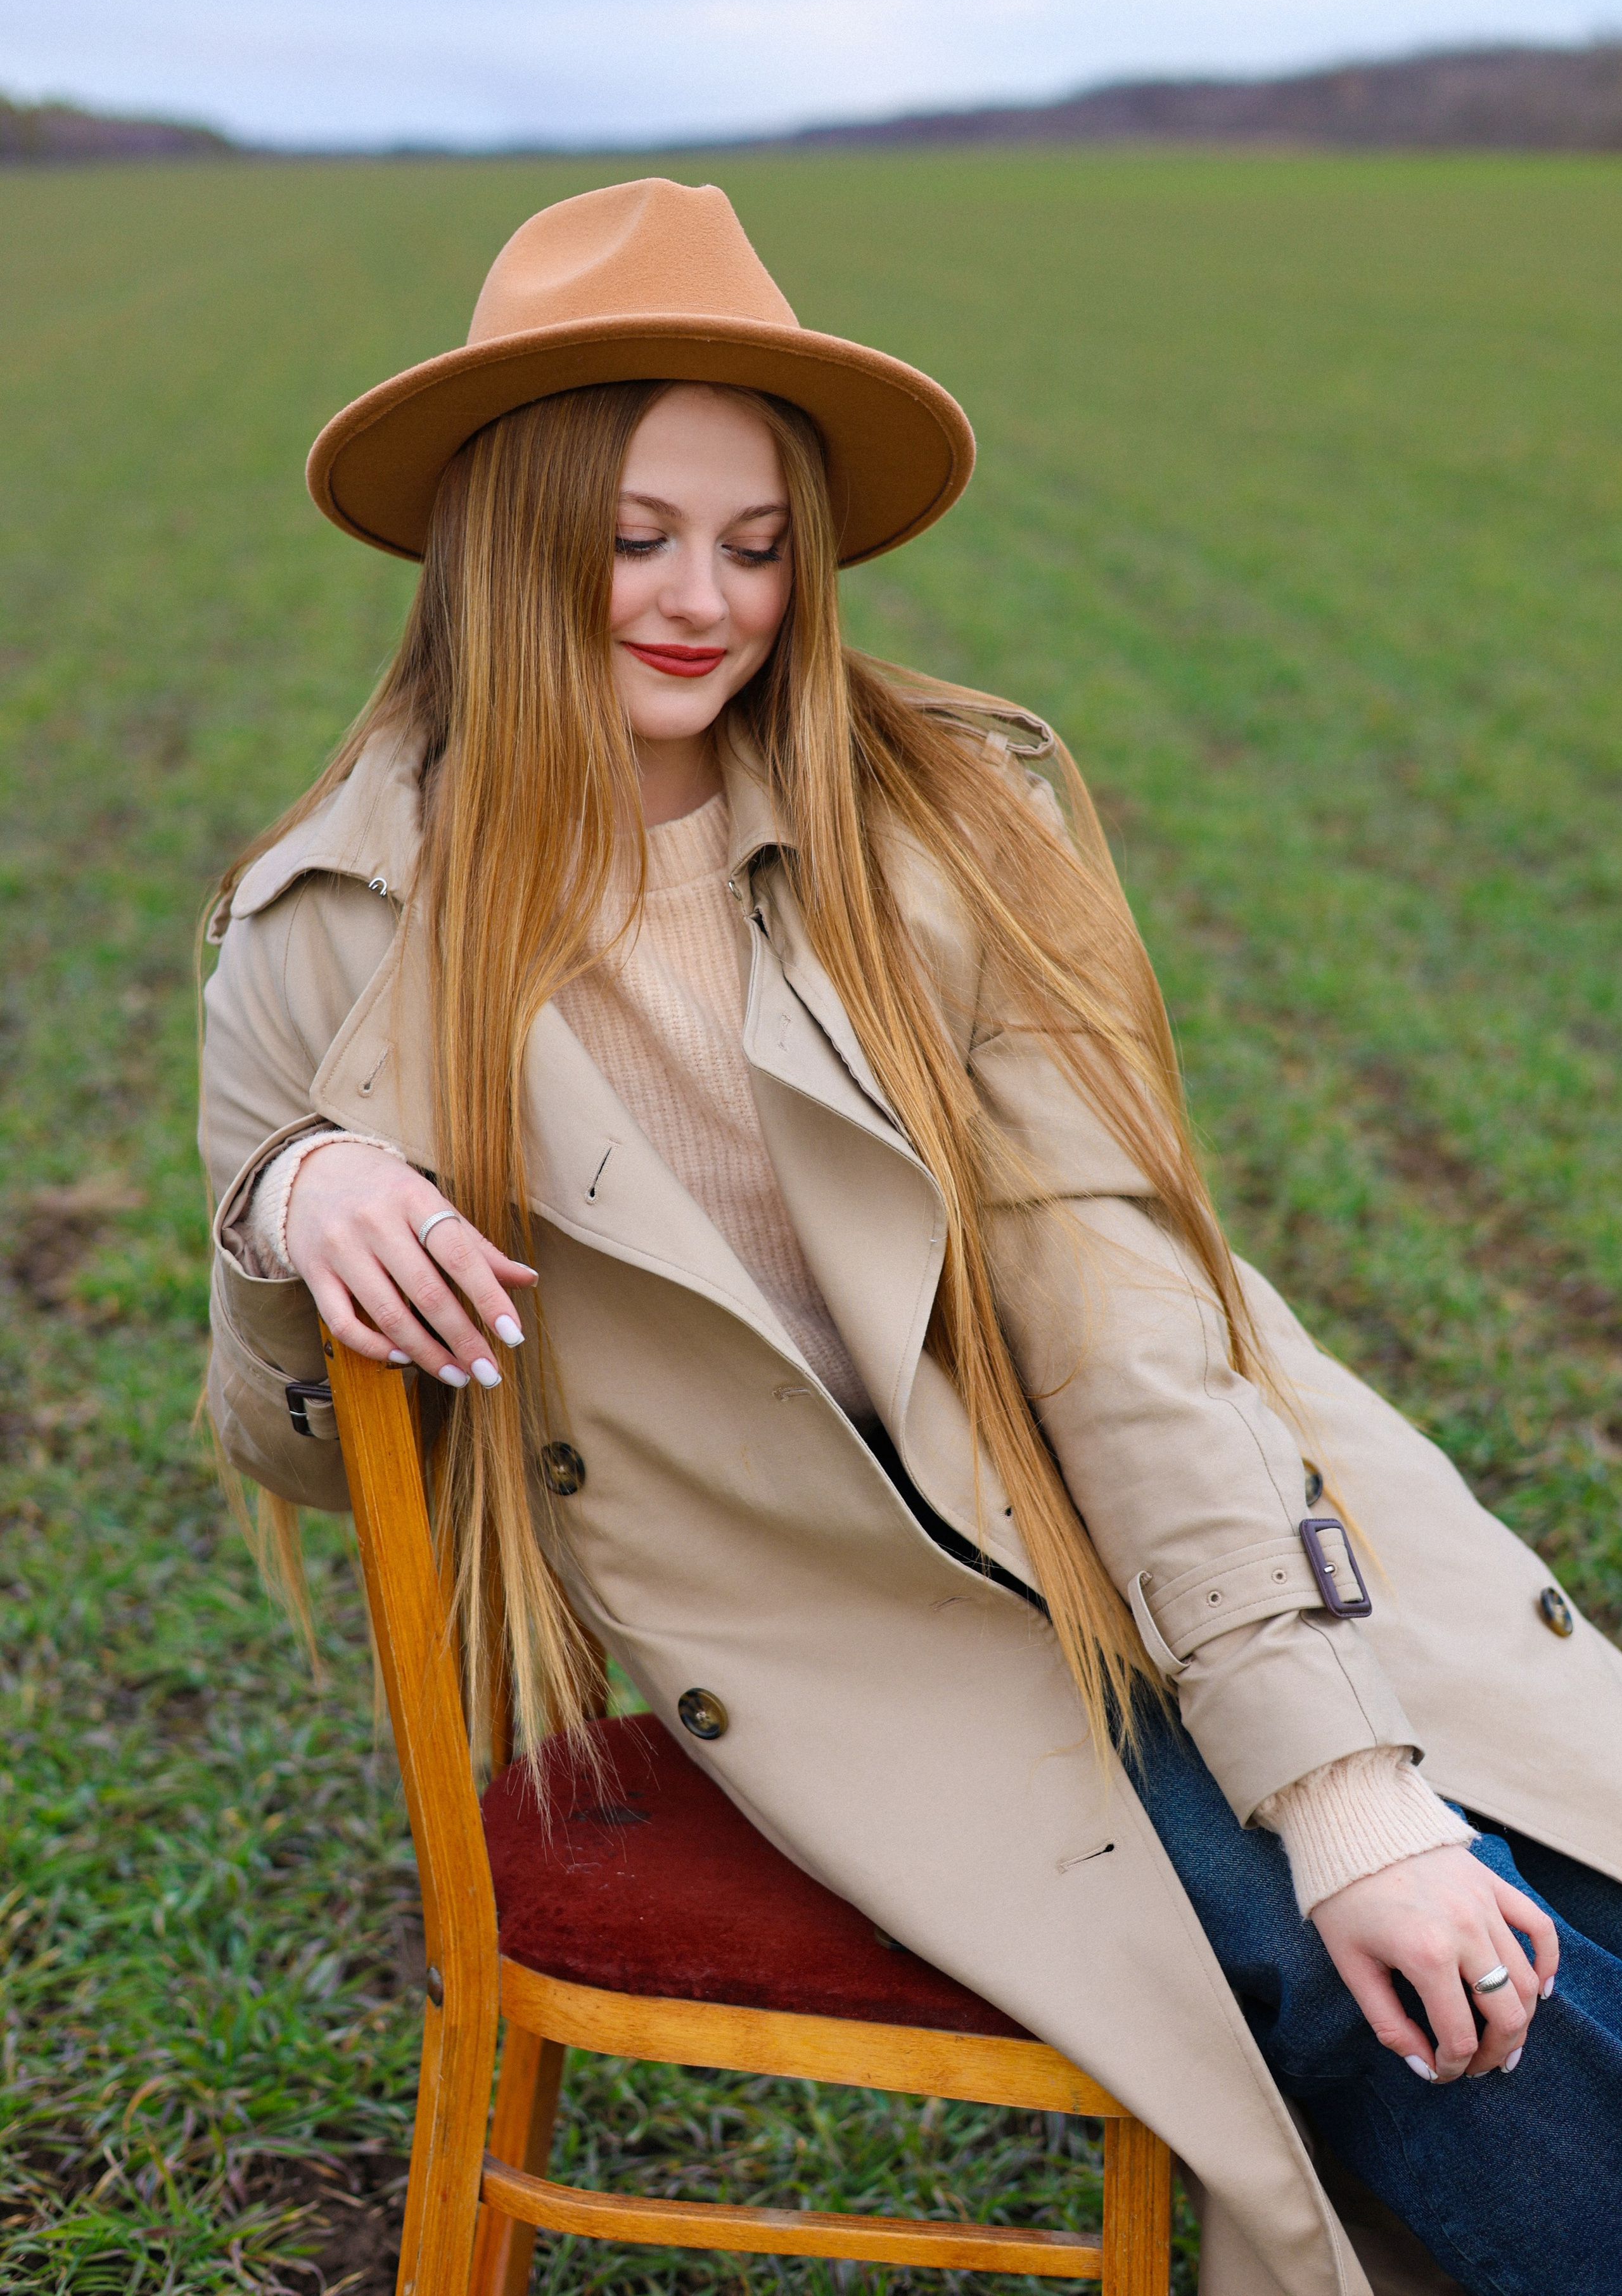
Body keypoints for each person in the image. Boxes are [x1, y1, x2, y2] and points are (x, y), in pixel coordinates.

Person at [200, 178, 1622, 2296]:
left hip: (1159, 1501)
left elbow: (1116, 1307)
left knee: (1503, 1874)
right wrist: (295, 1201)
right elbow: (300, 1449)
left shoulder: (950, 816)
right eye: (637, 538)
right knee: (1409, 1987)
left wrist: (1344, 1785)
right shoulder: (322, 927)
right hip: (852, 1642)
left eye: (761, 544)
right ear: (506, 535)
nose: (710, 601)